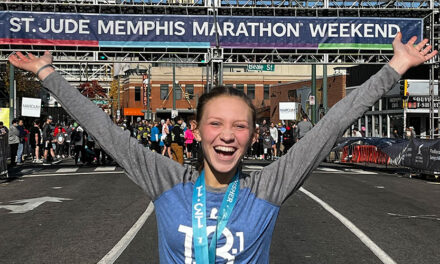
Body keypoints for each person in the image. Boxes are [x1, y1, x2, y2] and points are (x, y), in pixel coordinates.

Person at [9, 33, 436, 263]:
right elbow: (104, 128)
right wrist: (49, 74)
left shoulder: (266, 188)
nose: (227, 135)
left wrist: (395, 67)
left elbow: (333, 124)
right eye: (216, 124)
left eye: (239, 126)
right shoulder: (166, 180)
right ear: (197, 130)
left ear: (252, 136)